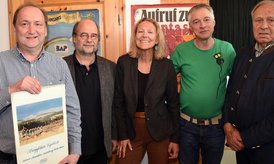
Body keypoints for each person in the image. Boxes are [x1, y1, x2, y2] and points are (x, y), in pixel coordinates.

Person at [0, 3, 81, 164]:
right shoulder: (1, 62)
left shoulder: (59, 65)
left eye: (38, 24)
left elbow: (72, 109)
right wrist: (13, 89)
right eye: (24, 24)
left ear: (45, 30)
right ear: (15, 28)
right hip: (7, 158)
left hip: (53, 156)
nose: (31, 30)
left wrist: (75, 150)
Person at [223, 1, 274, 164]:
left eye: (271, 20)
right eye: (258, 20)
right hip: (243, 152)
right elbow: (230, 93)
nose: (263, 26)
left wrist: (243, 138)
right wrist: (227, 125)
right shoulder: (242, 54)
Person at [170, 3, 236, 164]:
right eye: (196, 21)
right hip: (186, 126)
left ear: (214, 22)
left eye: (206, 20)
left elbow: (237, 87)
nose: (202, 25)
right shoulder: (181, 51)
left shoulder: (227, 50)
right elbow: (165, 81)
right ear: (190, 27)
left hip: (216, 126)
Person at [113, 18, 179, 164]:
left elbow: (174, 105)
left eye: (150, 32)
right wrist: (122, 135)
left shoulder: (166, 65)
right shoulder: (124, 62)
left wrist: (175, 139)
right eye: (140, 31)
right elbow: (118, 103)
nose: (144, 35)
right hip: (131, 131)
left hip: (160, 131)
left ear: (156, 39)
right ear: (135, 36)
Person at [63, 19, 116, 164]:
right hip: (69, 150)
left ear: (98, 40)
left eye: (94, 36)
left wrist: (115, 135)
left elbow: (116, 106)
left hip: (100, 149)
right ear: (74, 38)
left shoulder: (111, 68)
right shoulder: (60, 67)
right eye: (84, 35)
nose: (89, 40)